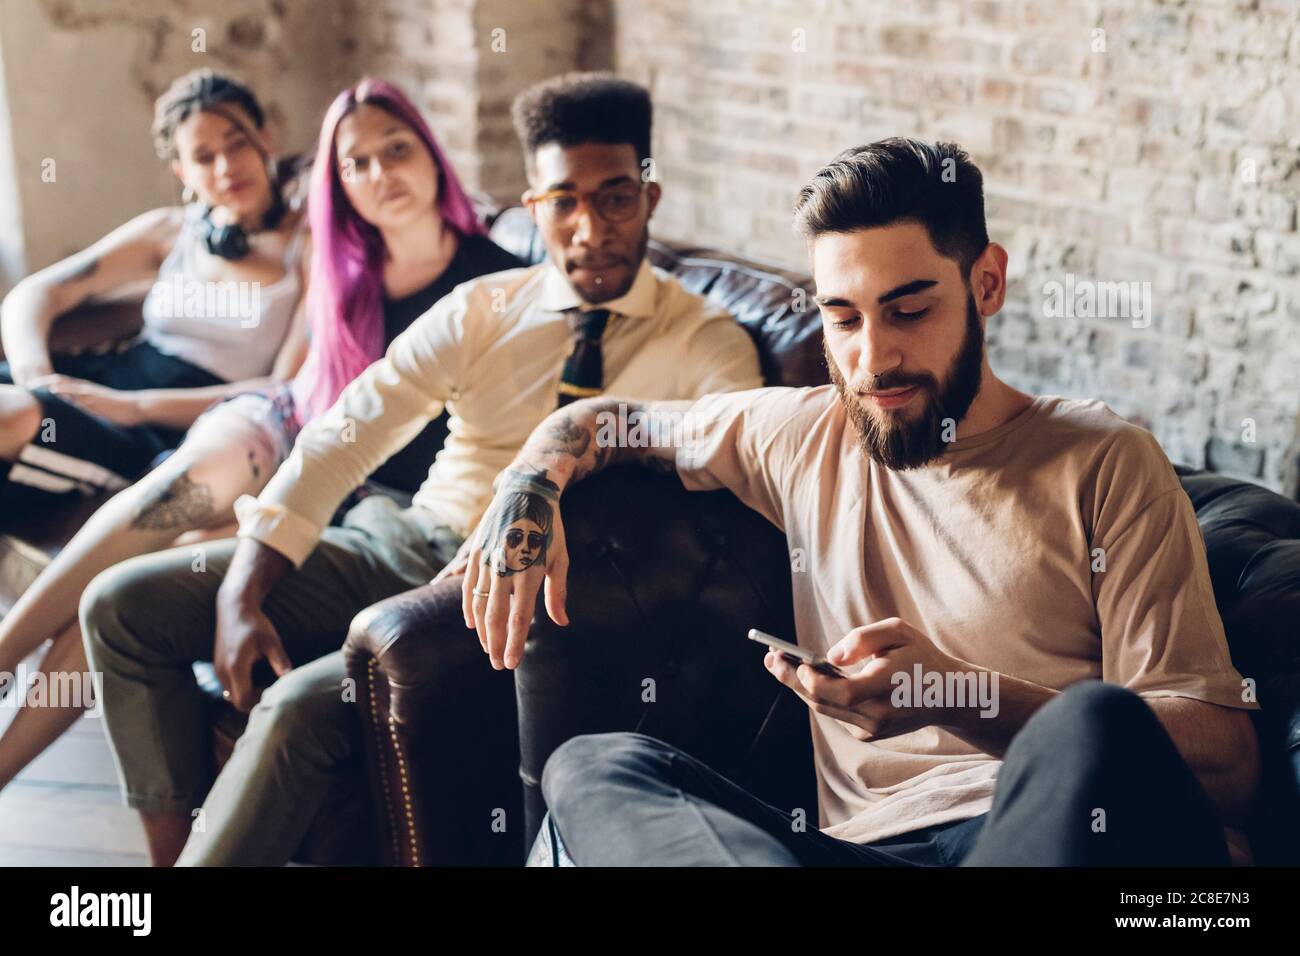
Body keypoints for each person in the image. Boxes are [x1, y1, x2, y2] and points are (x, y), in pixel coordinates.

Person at [463, 139, 1262, 867]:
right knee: (597, 767)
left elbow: (1225, 765)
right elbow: (610, 419)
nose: (873, 358)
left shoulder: (1103, 459)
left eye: (909, 310)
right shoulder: (804, 432)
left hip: (1042, 835)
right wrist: (527, 482)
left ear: (986, 283)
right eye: (842, 318)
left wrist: (955, 693)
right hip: (868, 853)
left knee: (1092, 726)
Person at [81, 72, 764, 866]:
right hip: (401, 541)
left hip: (508, 601)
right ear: (534, 206)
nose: (587, 230)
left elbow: (731, 464)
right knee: (119, 606)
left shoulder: (707, 341)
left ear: (649, 198)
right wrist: (247, 582)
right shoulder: (484, 307)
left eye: (614, 198)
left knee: (304, 704)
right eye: (562, 203)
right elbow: (350, 430)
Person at [0, 77, 519, 793]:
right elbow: (301, 394)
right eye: (356, 164)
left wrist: (134, 408)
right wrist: (42, 375)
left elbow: (297, 387)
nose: (380, 174)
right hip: (273, 434)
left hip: (316, 469)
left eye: (396, 150)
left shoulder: (434, 273)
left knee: (133, 589)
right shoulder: (343, 265)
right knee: (180, 487)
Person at [0, 69, 308, 506]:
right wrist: (37, 376)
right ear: (182, 172)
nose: (226, 168)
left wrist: (136, 408)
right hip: (93, 385)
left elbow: (285, 390)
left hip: (165, 426)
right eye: (204, 157)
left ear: (265, 138)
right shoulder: (170, 230)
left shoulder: (308, 252)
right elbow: (34, 295)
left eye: (238, 144)